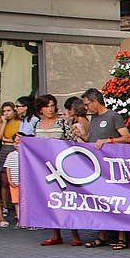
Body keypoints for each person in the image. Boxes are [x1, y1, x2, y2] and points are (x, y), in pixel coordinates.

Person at [82, 89, 130, 249]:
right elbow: (93, 140)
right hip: (97, 166)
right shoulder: (94, 119)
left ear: (95, 101)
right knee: (100, 201)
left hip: (112, 166)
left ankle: (121, 237)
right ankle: (101, 235)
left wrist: (108, 140)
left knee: (116, 200)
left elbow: (126, 137)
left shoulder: (113, 116)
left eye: (87, 104)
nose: (86, 108)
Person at [32, 94, 81, 246]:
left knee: (66, 199)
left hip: (61, 165)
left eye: (52, 105)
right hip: (44, 167)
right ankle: (55, 233)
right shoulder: (37, 125)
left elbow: (70, 141)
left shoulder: (61, 123)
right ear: (40, 109)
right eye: (47, 106)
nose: (50, 109)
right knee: (50, 199)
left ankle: (75, 234)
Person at [0, 101, 19, 219]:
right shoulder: (2, 122)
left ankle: (17, 206)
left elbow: (18, 138)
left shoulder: (19, 122)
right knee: (4, 180)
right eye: (4, 111)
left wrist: (9, 140)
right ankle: (5, 205)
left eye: (8, 111)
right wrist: (3, 122)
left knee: (16, 178)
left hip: (14, 149)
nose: (6, 113)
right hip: (4, 149)